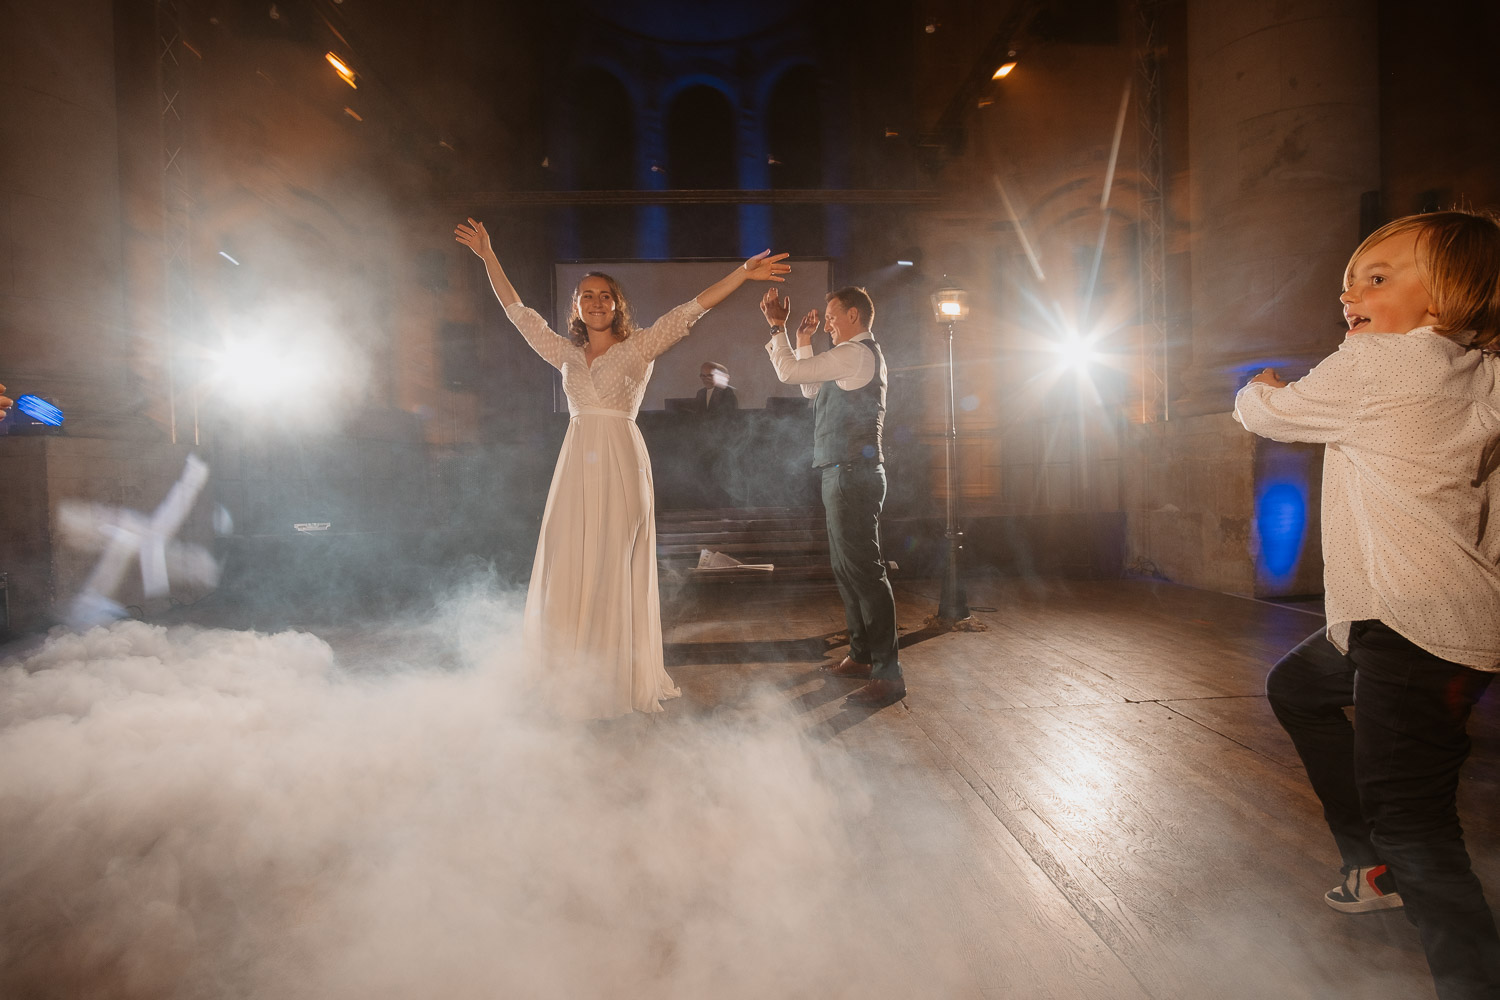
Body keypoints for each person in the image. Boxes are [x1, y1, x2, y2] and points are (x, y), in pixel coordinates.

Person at [1236, 210, 1500, 1000]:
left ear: (1449, 295)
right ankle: (1371, 865)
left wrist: (1262, 385)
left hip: (1410, 630)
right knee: (1297, 687)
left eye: (1378, 278)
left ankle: (1472, 979)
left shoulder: (1382, 365)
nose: (1351, 295)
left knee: (1416, 824)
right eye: (1349, 282)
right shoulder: (1476, 370)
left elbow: (1262, 415)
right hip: (1426, 621)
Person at [455, 218, 788, 719]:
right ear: (577, 305)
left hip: (622, 458)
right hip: (576, 464)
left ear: (617, 304)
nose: (594, 302)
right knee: (570, 560)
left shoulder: (640, 347)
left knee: (614, 560)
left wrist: (742, 273)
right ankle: (570, 672)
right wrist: (488, 256)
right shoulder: (564, 353)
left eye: (604, 296)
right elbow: (518, 313)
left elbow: (690, 310)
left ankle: (615, 674)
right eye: (586, 295)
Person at [760, 286, 904, 707]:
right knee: (847, 569)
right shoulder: (849, 357)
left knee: (865, 571)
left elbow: (789, 374)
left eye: (832, 315)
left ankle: (888, 674)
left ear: (854, 316)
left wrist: (777, 327)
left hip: (853, 475)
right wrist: (803, 341)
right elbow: (809, 389)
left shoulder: (857, 353)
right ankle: (861, 656)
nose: (826, 322)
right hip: (841, 473)